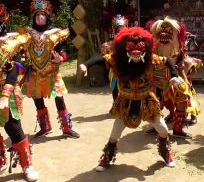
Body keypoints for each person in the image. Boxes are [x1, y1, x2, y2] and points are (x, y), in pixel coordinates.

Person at [95, 27, 179, 171]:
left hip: (147, 102)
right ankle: (107, 157)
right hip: (125, 103)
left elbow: (168, 60)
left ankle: (165, 151)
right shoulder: (117, 60)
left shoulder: (151, 59)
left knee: (163, 129)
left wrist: (175, 75)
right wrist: (84, 65)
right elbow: (99, 59)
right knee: (114, 134)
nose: (135, 54)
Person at [18, 0, 79, 138]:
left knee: (59, 98)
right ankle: (45, 126)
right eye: (37, 15)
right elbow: (22, 51)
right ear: (33, 17)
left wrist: (61, 58)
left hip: (52, 71)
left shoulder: (55, 33)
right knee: (37, 99)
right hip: (33, 72)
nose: (40, 18)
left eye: (43, 15)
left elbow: (63, 51)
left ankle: (67, 128)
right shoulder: (27, 34)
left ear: (47, 16)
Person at [0, 4, 39, 181]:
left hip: (6, 90)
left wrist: (5, 95)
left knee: (12, 126)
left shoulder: (12, 43)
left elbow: (14, 69)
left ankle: (27, 165)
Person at [148, 16, 196, 138]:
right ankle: (155, 126)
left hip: (175, 81)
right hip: (156, 81)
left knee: (182, 101)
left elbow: (181, 66)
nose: (164, 35)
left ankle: (178, 129)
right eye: (160, 33)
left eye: (169, 32)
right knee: (155, 104)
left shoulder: (178, 52)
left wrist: (184, 79)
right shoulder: (150, 54)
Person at [80, 14, 128, 100]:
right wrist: (86, 64)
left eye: (123, 30)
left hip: (129, 73)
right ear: (115, 32)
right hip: (115, 73)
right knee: (115, 91)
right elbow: (103, 58)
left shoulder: (133, 44)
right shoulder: (109, 46)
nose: (121, 33)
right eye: (118, 31)